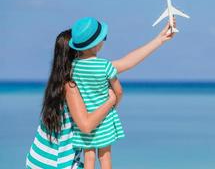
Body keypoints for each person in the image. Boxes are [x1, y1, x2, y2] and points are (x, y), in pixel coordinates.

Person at [26, 19, 176, 168]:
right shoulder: (70, 85)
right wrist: (110, 101)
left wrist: (160, 39)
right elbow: (86, 126)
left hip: (37, 158)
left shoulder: (64, 77)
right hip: (56, 164)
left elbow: (127, 62)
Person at [68, 17, 125, 169]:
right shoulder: (105, 66)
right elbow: (118, 91)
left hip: (86, 115)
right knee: (105, 155)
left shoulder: (73, 67)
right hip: (105, 117)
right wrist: (114, 104)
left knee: (89, 155)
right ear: (96, 45)